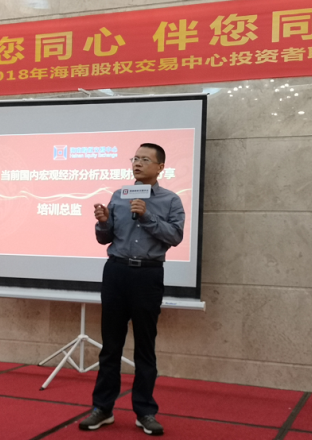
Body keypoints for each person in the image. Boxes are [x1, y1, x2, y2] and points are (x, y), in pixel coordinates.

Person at [79, 143, 185, 436]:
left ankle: (145, 411)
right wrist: (103, 223)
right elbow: (105, 238)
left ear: (160, 167)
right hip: (116, 272)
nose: (137, 163)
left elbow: (175, 236)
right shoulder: (119, 195)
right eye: (135, 158)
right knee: (111, 346)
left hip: (147, 276)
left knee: (145, 347)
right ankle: (103, 408)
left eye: (145, 159)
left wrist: (148, 216)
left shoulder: (171, 200)